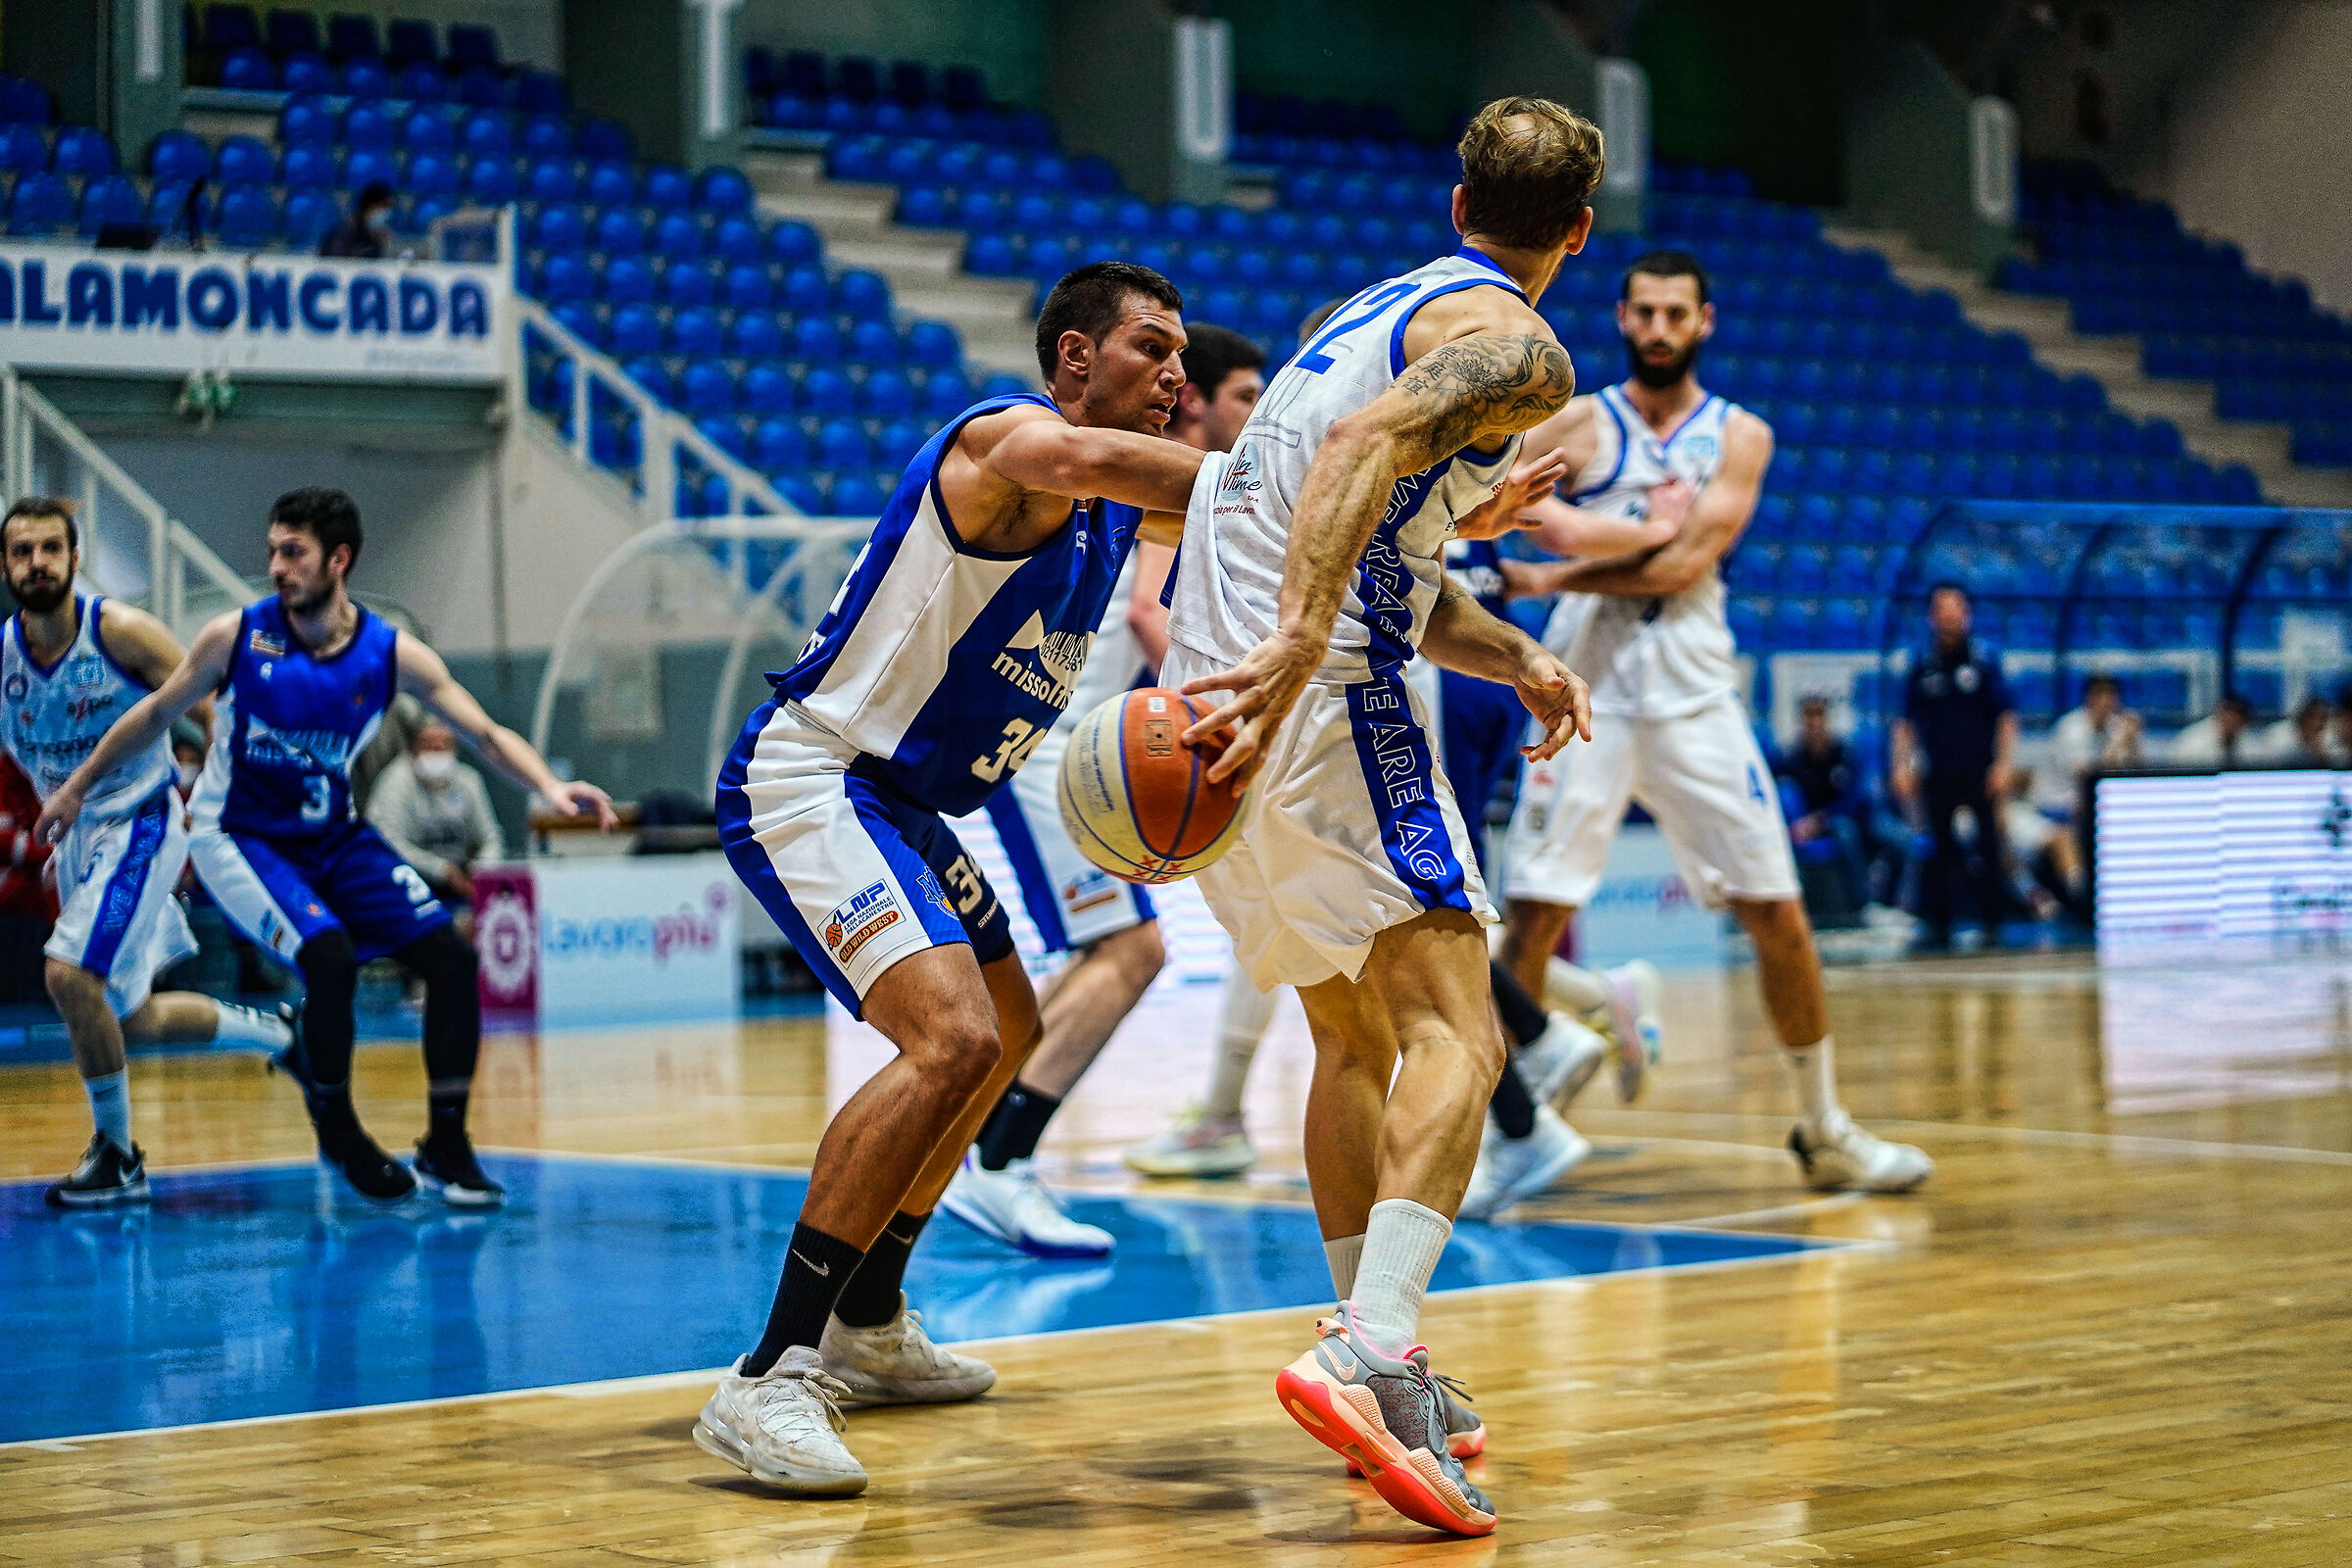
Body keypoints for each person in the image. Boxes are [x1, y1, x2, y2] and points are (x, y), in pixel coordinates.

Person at [1166, 97, 1602, 1537]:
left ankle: (1383, 1347)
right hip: (1317, 691)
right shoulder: (1520, 347)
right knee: (1459, 1035)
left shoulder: (1369, 304)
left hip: (1209, 703)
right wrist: (1304, 641)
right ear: (1578, 234)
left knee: (1351, 1036)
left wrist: (1517, 644)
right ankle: (1368, 1349)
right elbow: (1369, 447)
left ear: (1455, 199)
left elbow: (1373, 505)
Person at [699, 262, 1204, 1498]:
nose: (1179, 376)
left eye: (1184, 356)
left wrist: (1426, 514)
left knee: (1008, 1029)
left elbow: (1254, 531)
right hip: (815, 774)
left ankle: (870, 1316)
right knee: (948, 1037)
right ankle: (770, 1373)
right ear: (1076, 358)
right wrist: (1288, 473)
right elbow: (1132, 473)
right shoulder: (1009, 444)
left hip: (907, 802)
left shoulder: (1105, 518)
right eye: (1152, 348)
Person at [38, 487, 613, 1211]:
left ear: (339, 560)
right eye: (274, 549)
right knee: (330, 957)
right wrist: (78, 788)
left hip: (332, 834)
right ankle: (339, 1127)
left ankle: (446, 1145)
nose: (276, 566)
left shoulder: (388, 652)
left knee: (452, 960)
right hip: (238, 835)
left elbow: (483, 732)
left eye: (293, 552)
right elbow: (155, 712)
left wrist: (548, 789)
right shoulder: (236, 636)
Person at [1495, 249, 1933, 1195]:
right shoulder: (1573, 422)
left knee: (1777, 910)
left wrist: (1562, 560)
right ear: (1619, 317)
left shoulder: (1742, 436)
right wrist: (1610, 538)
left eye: (1675, 314)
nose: (1658, 329)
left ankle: (1825, 1129)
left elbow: (1682, 568)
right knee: (1531, 917)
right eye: (1643, 313)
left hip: (1696, 689)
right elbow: (1500, 517)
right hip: (1584, 683)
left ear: (1706, 323)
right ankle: (1514, 1136)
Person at [934, 322, 1265, 1258]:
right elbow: (1155, 611)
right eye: (1242, 394)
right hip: (1047, 734)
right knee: (1126, 951)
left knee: (1111, 955)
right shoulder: (1150, 471)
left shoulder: (1161, 484)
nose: (1253, 411)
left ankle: (984, 1157)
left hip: (1070, 732)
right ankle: (996, 1166)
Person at [1, 497, 294, 1206]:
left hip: (142, 822)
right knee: (124, 1018)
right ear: (5, 566)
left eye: (49, 548)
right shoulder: (5, 655)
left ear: (75, 560)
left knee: (69, 977)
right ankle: (285, 1036)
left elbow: (215, 708)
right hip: (73, 843)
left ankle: (118, 1155)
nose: (36, 563)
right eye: (20, 551)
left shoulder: (122, 633)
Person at [1890, 582, 2019, 950]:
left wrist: (2003, 764)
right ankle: (1939, 926)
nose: (1949, 619)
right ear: (1932, 617)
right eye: (1942, 612)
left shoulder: (1983, 659)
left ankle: (1994, 925)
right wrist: (1901, 765)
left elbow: (2006, 716)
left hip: (1980, 769)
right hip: (1939, 769)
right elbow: (1906, 721)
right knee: (1939, 849)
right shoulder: (1922, 663)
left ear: (1967, 615)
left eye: (1955, 612)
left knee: (1988, 845)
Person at [367, 718, 506, 931]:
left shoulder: (468, 780)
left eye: (445, 744)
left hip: (464, 884)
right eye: (430, 744)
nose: (438, 750)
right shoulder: (395, 782)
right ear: (413, 749)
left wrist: (483, 872)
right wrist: (443, 871)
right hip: (410, 883)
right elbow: (387, 842)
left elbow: (491, 836)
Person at [1775, 694, 1873, 922]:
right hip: (1803, 825)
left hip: (1837, 820)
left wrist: (1820, 820)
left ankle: (1862, 904)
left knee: (1847, 829)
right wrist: (1795, 824)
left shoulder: (1842, 753)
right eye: (1809, 715)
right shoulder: (1792, 758)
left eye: (1818, 714)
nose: (1814, 722)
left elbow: (1854, 800)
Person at [2037, 673, 2141, 821]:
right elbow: (2088, 779)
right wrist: (2118, 743)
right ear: (2088, 698)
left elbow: (2135, 772)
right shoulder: (2071, 728)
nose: (2106, 702)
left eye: (2111, 695)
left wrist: (2133, 743)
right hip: (2055, 807)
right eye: (2099, 695)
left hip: (2088, 807)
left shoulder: (2114, 727)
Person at [2168, 692, 2253, 767]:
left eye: (2235, 721)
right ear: (2218, 715)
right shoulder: (2193, 740)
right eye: (2227, 720)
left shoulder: (2250, 741)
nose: (2230, 724)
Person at [319, 179, 393, 260]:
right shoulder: (344, 232)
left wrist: (382, 246)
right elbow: (338, 261)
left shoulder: (377, 234)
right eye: (384, 206)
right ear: (370, 206)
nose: (387, 212)